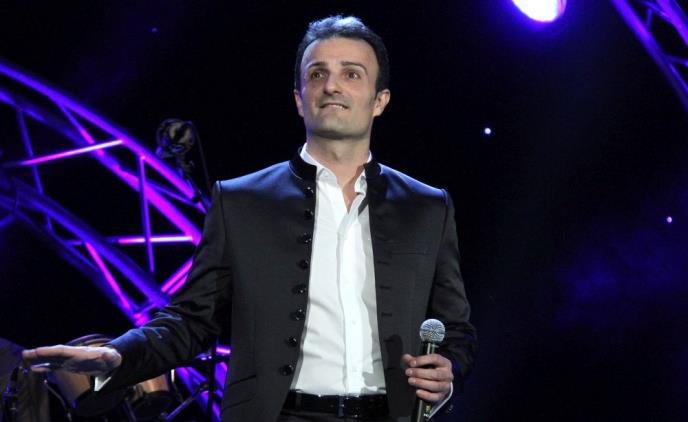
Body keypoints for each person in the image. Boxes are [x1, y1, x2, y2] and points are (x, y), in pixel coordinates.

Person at [22, 15, 477, 421]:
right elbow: (191, 321)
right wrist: (118, 357)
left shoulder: (427, 207)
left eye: (351, 74)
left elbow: (456, 332)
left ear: (380, 100)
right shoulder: (241, 201)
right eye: (317, 74)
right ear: (299, 99)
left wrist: (449, 371)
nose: (332, 86)